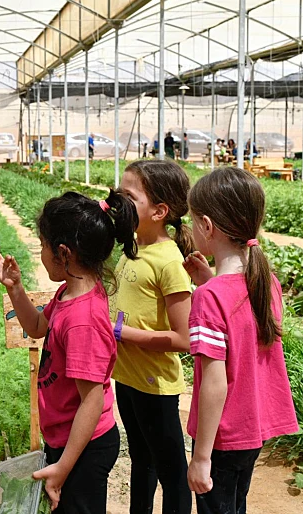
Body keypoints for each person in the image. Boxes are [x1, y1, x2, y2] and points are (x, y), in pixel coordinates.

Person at [0, 189, 138, 513]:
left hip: (83, 446)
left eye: (42, 246)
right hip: (69, 439)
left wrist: (63, 468)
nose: (40, 253)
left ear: (63, 253)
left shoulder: (82, 320)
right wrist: (15, 288)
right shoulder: (70, 292)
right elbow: (38, 327)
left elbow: (92, 399)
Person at [183, 167, 298, 514]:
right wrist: (209, 280)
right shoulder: (266, 281)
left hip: (223, 436)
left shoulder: (210, 297)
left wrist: (201, 457)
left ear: (206, 226)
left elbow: (215, 382)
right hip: (255, 426)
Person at [111, 159, 195, 514]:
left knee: (172, 469)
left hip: (155, 385)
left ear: (160, 211)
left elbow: (185, 339)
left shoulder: (168, 262)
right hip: (126, 377)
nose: (117, 201)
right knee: (140, 460)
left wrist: (123, 332)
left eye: (129, 196)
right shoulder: (132, 246)